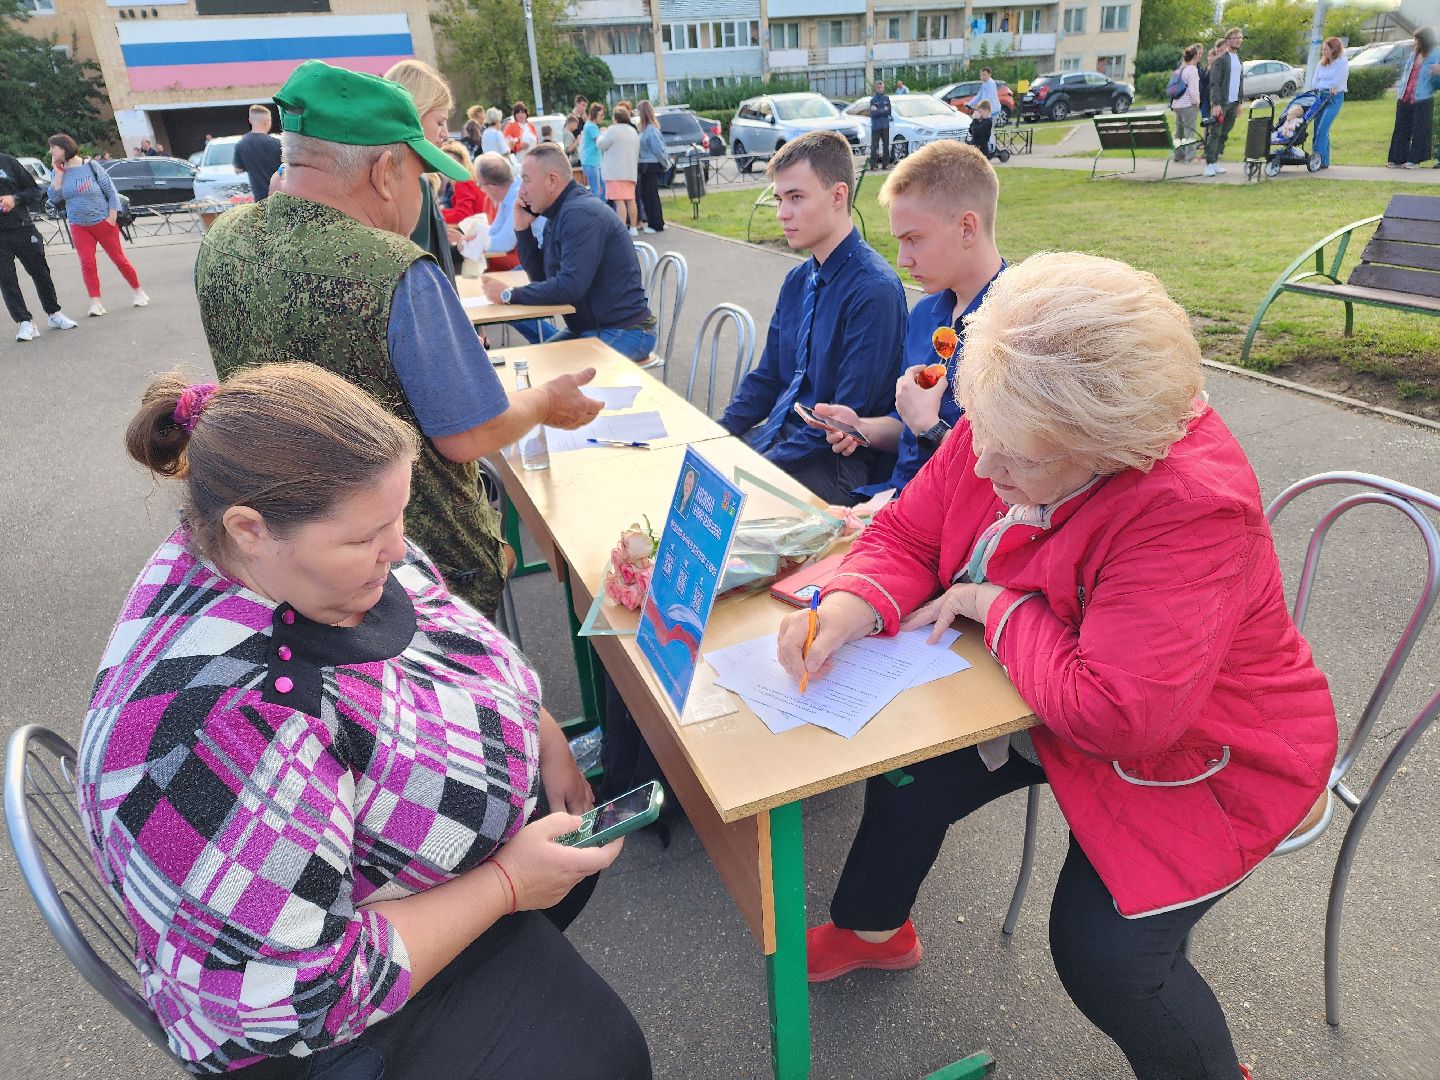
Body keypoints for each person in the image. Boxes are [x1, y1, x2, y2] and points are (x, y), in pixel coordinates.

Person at [777, 251, 1337, 1080]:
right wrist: (848, 607)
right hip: (1051, 698)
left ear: (1110, 443)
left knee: (1106, 958)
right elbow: (910, 531)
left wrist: (993, 607)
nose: (985, 467)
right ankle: (873, 929)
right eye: (981, 436)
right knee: (908, 771)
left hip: (1208, 751)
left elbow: (1121, 714)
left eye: (1020, 460)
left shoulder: (1190, 505)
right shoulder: (1014, 412)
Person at [80, 362, 652, 1079]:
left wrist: (538, 726)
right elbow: (306, 996)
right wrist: (506, 884)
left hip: (387, 884)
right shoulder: (223, 731)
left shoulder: (286, 556)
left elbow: (451, 633)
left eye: (399, 518)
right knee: (603, 1054)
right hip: (320, 1030)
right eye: (366, 537)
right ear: (250, 529)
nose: (398, 550)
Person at [194, 60, 603, 618]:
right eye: (421, 176)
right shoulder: (395, 269)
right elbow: (469, 434)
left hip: (285, 555)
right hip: (412, 563)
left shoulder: (227, 241)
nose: (423, 194)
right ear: (385, 171)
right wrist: (546, 402)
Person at [719, 132, 907, 505]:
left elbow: (839, 425)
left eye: (796, 198)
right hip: (781, 439)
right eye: (779, 199)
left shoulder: (873, 291)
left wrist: (755, 463)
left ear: (838, 196)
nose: (782, 213)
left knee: (720, 501)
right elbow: (768, 377)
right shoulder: (798, 279)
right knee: (692, 475)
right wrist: (716, 434)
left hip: (835, 467)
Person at [811, 142, 1003, 502]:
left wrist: (932, 428)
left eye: (914, 240)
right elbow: (907, 426)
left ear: (966, 228)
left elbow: (1008, 480)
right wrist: (860, 427)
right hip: (893, 504)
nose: (902, 260)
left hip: (948, 529)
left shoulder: (1017, 331)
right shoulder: (925, 314)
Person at [481, 143, 656, 360]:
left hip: (627, 331)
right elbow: (541, 278)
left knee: (548, 373)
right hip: (591, 328)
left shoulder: (580, 214)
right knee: (535, 364)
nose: (521, 190)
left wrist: (509, 295)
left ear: (552, 180)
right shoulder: (559, 213)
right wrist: (523, 229)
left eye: (526, 180)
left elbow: (569, 287)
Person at [46, 134, 148, 318]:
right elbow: (54, 198)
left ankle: (139, 291)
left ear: (64, 148)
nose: (50, 151)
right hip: (78, 224)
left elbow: (111, 192)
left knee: (119, 259)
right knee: (87, 263)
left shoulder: (91, 166)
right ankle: (95, 302)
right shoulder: (57, 171)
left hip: (103, 221)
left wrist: (111, 217)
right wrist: (59, 174)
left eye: (53, 147)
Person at [385, 59, 461, 283]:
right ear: (415, 116)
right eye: (440, 122)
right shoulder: (414, 181)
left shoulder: (392, 176)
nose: (445, 134)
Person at [0, 149, 79, 341]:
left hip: (22, 227)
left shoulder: (8, 162)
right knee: (6, 279)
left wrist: (14, 198)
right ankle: (25, 322)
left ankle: (54, 314)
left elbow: (34, 191)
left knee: (40, 272)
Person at [1387, 27, 1440, 168]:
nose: (1414, 42)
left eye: (1417, 40)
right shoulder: (1414, 55)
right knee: (1401, 127)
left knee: (1419, 129)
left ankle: (1414, 160)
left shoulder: (1436, 53)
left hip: (1423, 97)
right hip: (1405, 95)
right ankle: (1397, 158)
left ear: (1425, 40)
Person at [1205, 27, 1245, 177]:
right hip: (1221, 103)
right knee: (1215, 133)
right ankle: (1209, 163)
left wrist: (1240, 102)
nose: (1239, 40)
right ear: (1228, 40)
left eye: (1241, 38)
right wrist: (1216, 104)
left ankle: (1215, 161)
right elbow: (1214, 84)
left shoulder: (1239, 59)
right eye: (1236, 38)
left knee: (1224, 133)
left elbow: (1240, 82)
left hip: (1234, 103)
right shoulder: (1220, 61)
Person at [475, 150, 524, 271]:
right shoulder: (510, 192)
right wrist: (474, 239)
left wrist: (470, 244)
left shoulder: (518, 196)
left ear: (492, 188)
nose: (480, 189)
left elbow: (506, 242)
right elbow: (495, 231)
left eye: (480, 185)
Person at [598, 104, 641, 233]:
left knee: (619, 201)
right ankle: (633, 227)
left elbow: (601, 144)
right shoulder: (632, 131)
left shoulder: (613, 130)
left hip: (615, 172)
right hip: (630, 171)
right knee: (631, 200)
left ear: (615, 118)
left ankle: (622, 229)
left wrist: (602, 133)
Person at [1310, 36, 1348, 169]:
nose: (1323, 52)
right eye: (1323, 49)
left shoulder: (1342, 63)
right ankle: (1323, 161)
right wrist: (1322, 86)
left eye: (1326, 49)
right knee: (1317, 129)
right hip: (1320, 96)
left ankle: (1316, 159)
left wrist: (1325, 85)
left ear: (1334, 50)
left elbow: (1336, 81)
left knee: (1322, 129)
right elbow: (1315, 81)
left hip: (1333, 98)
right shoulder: (1322, 63)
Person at [233, 103, 283, 202]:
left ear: (250, 120)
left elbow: (237, 170)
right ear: (267, 121)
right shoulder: (277, 143)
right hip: (279, 197)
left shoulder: (241, 144)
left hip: (259, 199)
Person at [636, 100, 669, 234]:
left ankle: (656, 224)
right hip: (646, 164)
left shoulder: (651, 130)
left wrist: (665, 163)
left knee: (650, 195)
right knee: (648, 194)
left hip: (651, 164)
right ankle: (655, 222)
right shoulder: (646, 129)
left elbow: (658, 149)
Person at [1170, 44, 1202, 163]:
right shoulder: (1192, 70)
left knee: (1179, 131)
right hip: (1188, 105)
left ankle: (1178, 155)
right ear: (1194, 56)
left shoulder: (1180, 69)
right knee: (1190, 131)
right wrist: (1197, 103)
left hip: (1177, 104)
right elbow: (1194, 90)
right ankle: (1191, 156)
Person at [867, 79, 893, 169]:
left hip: (885, 125)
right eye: (878, 87)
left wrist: (879, 110)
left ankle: (885, 164)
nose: (880, 89)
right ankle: (873, 165)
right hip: (876, 126)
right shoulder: (873, 100)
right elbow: (873, 114)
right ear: (876, 89)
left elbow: (889, 112)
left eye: (881, 87)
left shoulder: (887, 99)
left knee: (886, 145)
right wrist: (883, 110)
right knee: (874, 146)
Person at [581, 102, 606, 194]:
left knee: (602, 187)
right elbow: (600, 142)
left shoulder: (591, 125)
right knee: (596, 189)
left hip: (594, 161)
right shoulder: (591, 126)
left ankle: (601, 206)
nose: (602, 117)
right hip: (591, 161)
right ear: (595, 114)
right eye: (601, 115)